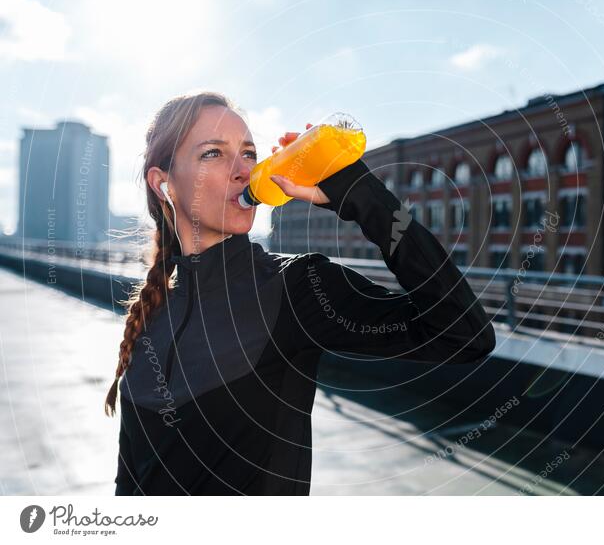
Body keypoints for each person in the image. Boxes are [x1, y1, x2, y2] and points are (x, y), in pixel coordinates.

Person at [105, 90, 496, 495]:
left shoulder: (297, 287)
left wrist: (359, 195)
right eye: (213, 154)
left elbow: (463, 333)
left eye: (249, 154)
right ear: (163, 182)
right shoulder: (149, 315)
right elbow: (129, 481)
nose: (243, 171)